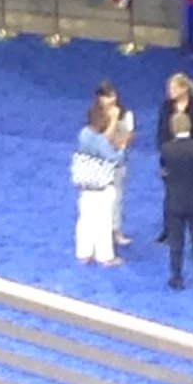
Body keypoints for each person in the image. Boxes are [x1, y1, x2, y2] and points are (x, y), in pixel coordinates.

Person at [156, 73, 193, 243]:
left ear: (185, 88)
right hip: (171, 154)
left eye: (173, 88)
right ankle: (168, 229)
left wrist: (192, 150)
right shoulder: (166, 106)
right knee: (170, 191)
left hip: (192, 154)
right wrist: (165, 151)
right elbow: (161, 131)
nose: (169, 92)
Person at [161, 112, 193, 290]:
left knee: (176, 241)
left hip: (174, 200)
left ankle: (176, 278)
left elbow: (164, 171)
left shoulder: (166, 149)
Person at [75, 102, 127, 267]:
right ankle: (105, 257)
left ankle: (84, 253)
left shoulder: (83, 134)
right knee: (104, 222)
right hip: (102, 186)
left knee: (85, 220)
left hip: (86, 186)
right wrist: (122, 148)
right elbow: (115, 159)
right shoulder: (100, 141)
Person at [95, 82, 135, 247]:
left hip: (118, 161)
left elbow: (129, 136)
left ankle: (116, 231)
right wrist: (112, 121)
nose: (109, 100)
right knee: (99, 197)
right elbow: (100, 139)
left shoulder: (126, 115)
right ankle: (100, 232)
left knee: (116, 198)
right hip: (99, 162)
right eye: (105, 96)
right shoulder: (95, 116)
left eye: (111, 95)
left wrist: (120, 144)